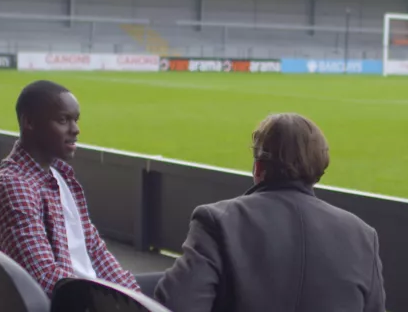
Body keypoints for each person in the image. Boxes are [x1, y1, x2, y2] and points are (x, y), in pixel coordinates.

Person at [154, 113, 386, 312]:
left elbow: (174, 305)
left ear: (258, 167)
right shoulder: (363, 236)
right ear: (318, 170)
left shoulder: (218, 222)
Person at [0, 80, 140, 297]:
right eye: (63, 120)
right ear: (29, 122)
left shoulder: (60, 175)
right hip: (79, 301)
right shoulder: (14, 187)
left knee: (189, 278)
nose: (76, 130)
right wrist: (112, 302)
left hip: (92, 292)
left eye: (75, 120)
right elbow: (44, 279)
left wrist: (134, 298)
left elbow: (93, 249)